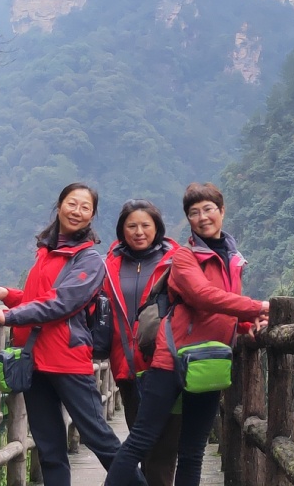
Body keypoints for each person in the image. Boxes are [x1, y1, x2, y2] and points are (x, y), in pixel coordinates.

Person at [0, 183, 142, 486]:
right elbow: (38, 298)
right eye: (72, 204)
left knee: (99, 438)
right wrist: (9, 295)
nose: (77, 211)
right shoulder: (47, 251)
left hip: (67, 360)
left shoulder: (89, 259)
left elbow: (62, 303)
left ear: (92, 215)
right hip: (35, 361)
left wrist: (9, 315)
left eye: (85, 207)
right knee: (49, 448)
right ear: (60, 205)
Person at [103, 182, 269, 486]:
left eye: (208, 209)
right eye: (194, 212)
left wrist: (249, 325)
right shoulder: (183, 257)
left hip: (210, 361)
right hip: (171, 360)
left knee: (193, 451)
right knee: (141, 439)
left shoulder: (232, 259)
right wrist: (257, 307)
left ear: (222, 211)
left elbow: (226, 307)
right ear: (188, 219)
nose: (202, 217)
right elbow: (202, 295)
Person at [104, 199, 181, 486]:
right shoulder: (110, 265)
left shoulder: (175, 261)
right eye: (132, 226)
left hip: (164, 364)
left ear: (157, 227)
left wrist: (246, 320)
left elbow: (202, 297)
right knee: (140, 442)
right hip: (126, 366)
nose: (139, 232)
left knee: (163, 448)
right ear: (121, 230)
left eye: (145, 225)